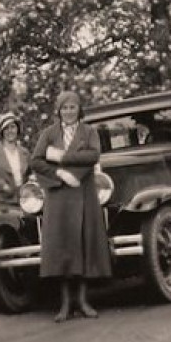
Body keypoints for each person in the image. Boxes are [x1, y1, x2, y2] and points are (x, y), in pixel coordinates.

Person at [31, 90, 112, 322]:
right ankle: (65, 304)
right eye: (64, 108)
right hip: (58, 197)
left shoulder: (89, 132)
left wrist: (62, 158)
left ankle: (84, 301)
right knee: (62, 249)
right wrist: (59, 174)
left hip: (84, 194)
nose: (68, 112)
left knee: (84, 246)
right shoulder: (48, 133)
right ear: (58, 110)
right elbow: (36, 160)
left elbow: (93, 156)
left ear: (79, 110)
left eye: (72, 107)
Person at [0, 112, 31, 208]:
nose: (10, 131)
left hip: (24, 203)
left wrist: (32, 180)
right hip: (3, 204)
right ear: (2, 131)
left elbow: (31, 174)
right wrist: (1, 184)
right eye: (6, 128)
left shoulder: (25, 152)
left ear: (17, 129)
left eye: (12, 127)